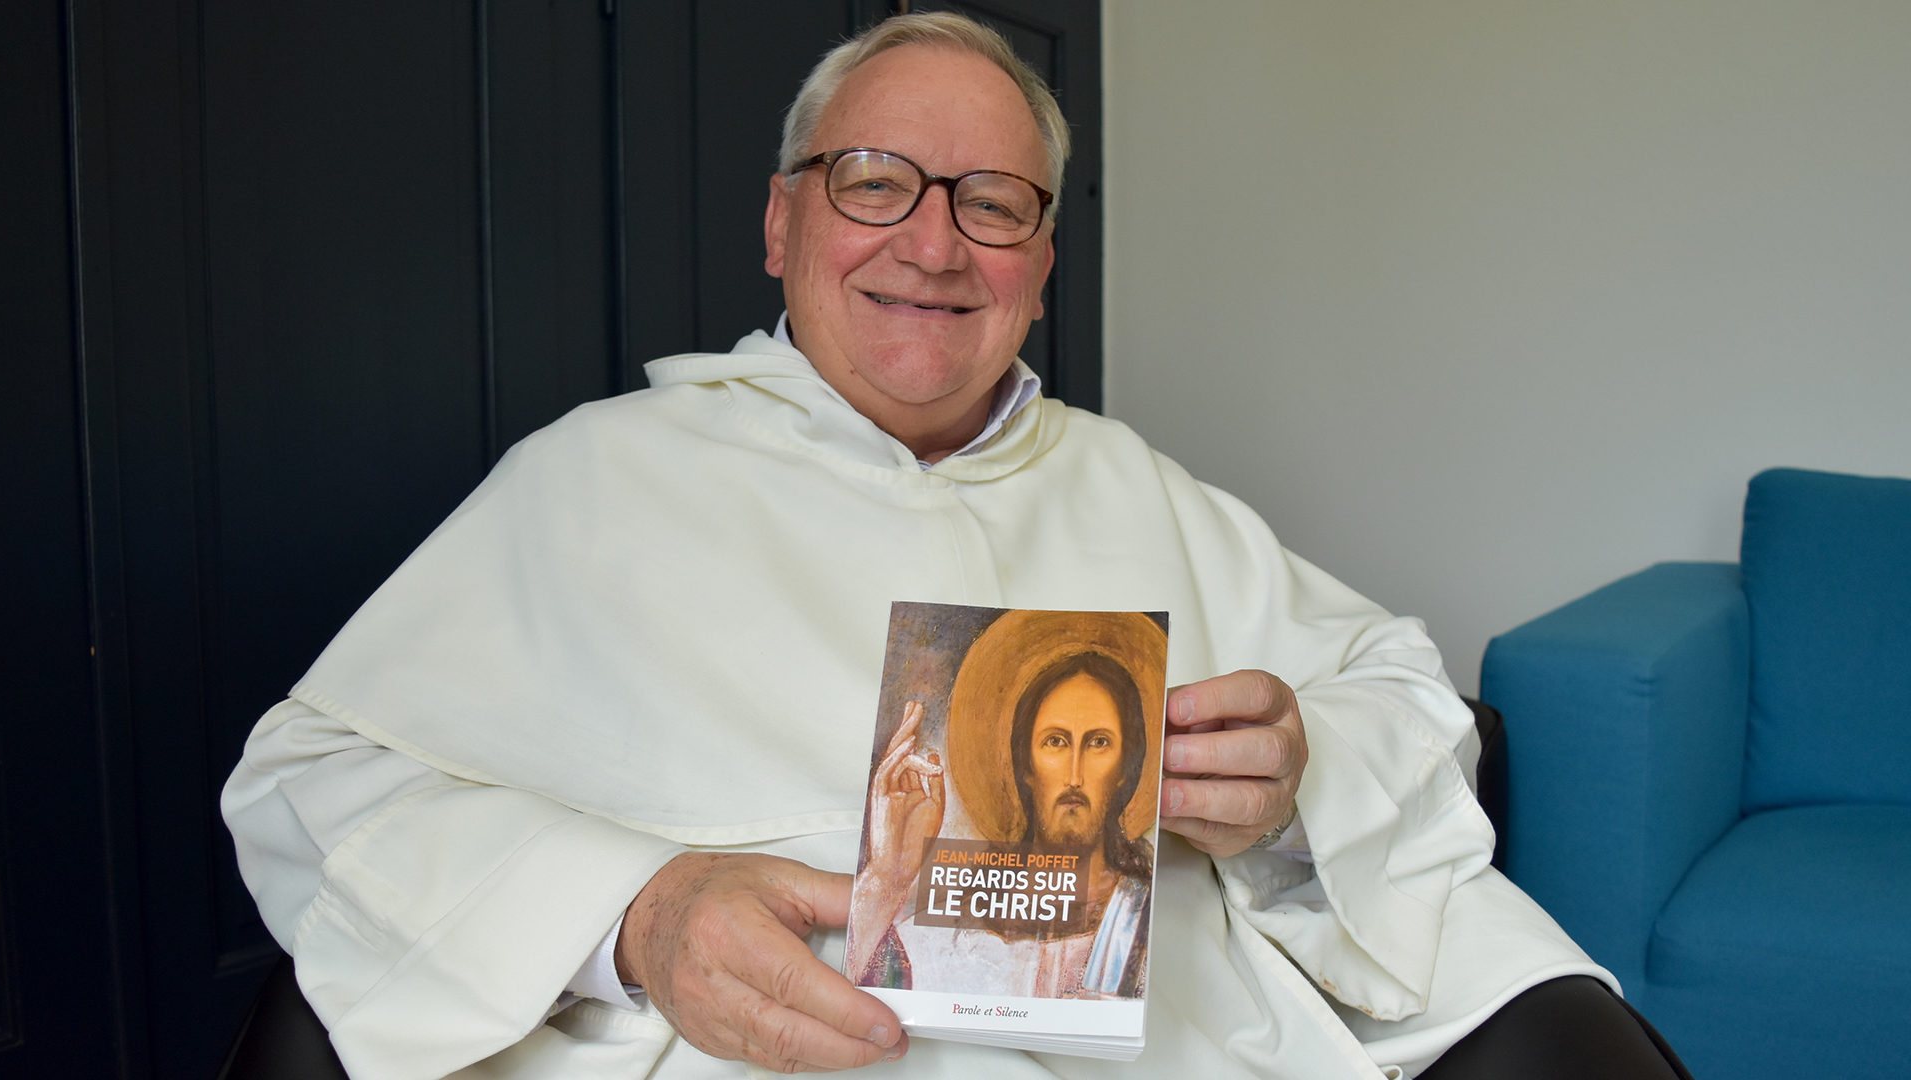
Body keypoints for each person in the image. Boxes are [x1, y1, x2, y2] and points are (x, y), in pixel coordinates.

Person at [222, 12, 1690, 1080]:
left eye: (992, 205)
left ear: (1042, 269)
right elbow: (315, 779)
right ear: (781, 222)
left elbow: (1397, 690)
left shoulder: (1137, 487)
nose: (933, 246)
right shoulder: (591, 479)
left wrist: (1291, 780)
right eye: (875, 182)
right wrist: (637, 912)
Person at [848, 618, 1161, 1001]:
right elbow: (861, 1002)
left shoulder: (1143, 917)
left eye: (1098, 743)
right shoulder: (953, 932)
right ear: (1025, 765)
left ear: (1124, 771)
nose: (1075, 775)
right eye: (1056, 742)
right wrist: (886, 876)